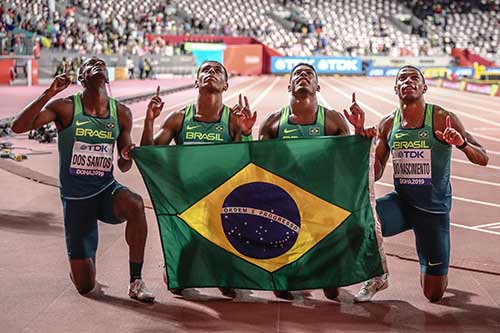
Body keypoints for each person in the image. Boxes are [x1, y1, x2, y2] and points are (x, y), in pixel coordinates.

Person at [11, 57, 155, 302]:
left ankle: (136, 281)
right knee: (86, 287)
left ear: (108, 77)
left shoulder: (121, 113)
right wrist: (48, 93)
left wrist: (126, 153)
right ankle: (81, 265)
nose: (97, 65)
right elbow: (18, 127)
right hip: (76, 199)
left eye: (101, 64)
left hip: (105, 190)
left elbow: (123, 163)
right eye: (90, 64)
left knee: (135, 203)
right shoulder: (66, 108)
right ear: (81, 78)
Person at [346, 65, 489, 303]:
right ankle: (377, 275)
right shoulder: (388, 124)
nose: (408, 81)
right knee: (361, 220)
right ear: (395, 88)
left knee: (433, 295)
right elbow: (377, 173)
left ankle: (437, 272)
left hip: (433, 212)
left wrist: (461, 143)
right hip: (401, 205)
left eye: (415, 78)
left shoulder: (443, 118)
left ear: (425, 87)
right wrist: (364, 143)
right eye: (402, 78)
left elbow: (483, 157)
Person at [140, 60, 256, 297]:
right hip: (187, 203)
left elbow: (245, 165)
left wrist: (245, 133)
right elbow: (149, 156)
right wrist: (150, 120)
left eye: (217, 71)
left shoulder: (232, 120)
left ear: (225, 85)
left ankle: (220, 257)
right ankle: (188, 252)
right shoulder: (179, 119)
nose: (211, 73)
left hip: (222, 204)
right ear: (196, 81)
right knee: (177, 283)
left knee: (228, 284)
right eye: (206, 70)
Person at [259, 62, 360, 301]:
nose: (303, 76)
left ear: (318, 86)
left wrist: (359, 133)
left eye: (309, 74)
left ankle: (324, 262)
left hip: (322, 203)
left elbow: (349, 162)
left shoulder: (333, 120)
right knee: (281, 290)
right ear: (289, 86)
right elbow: (259, 167)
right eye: (297, 74)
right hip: (285, 204)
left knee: (332, 292)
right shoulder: (273, 122)